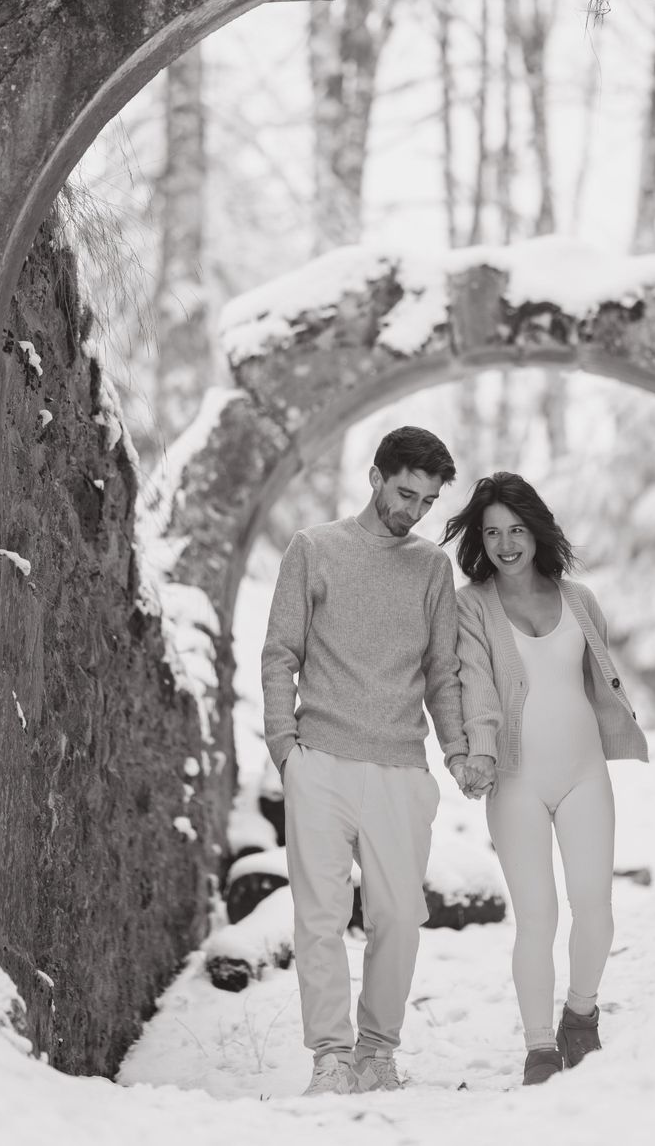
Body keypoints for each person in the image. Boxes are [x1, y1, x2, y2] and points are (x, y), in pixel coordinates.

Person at [261, 426, 490, 1096]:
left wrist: (456, 752)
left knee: (399, 918)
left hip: (400, 768)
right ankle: (330, 1057)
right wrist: (286, 752)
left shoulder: (430, 568)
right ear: (376, 476)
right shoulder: (315, 549)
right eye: (404, 492)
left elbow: (442, 673)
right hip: (321, 761)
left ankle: (377, 1054)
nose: (412, 510)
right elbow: (281, 654)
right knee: (320, 919)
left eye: (425, 501)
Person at [443, 472, 648, 1086]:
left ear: (537, 531)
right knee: (537, 918)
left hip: (584, 772)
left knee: (597, 910)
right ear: (480, 540)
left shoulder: (579, 601)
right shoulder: (470, 605)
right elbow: (473, 682)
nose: (506, 543)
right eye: (492, 532)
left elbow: (597, 678)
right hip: (515, 780)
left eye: (516, 530)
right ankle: (538, 1048)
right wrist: (475, 753)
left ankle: (580, 1016)